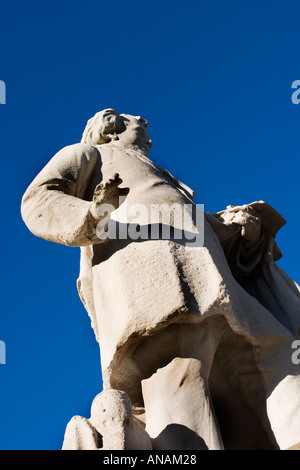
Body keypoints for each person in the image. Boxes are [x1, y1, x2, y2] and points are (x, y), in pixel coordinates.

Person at [21, 109, 300, 450]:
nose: (142, 119)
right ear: (111, 128)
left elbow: (190, 224)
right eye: (131, 118)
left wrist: (238, 230)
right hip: (153, 281)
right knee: (181, 371)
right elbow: (38, 199)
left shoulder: (163, 175)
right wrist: (93, 215)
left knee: (267, 358)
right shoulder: (89, 155)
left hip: (212, 283)